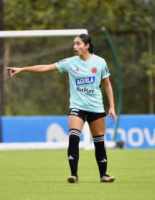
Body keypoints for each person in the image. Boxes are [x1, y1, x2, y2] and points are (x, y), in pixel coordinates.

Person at [7, 33, 116, 184]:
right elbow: (46, 67)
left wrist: (112, 106)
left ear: (87, 46)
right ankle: (74, 175)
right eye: (74, 44)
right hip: (77, 107)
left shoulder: (100, 62)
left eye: (78, 44)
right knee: (73, 136)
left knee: (99, 141)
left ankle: (103, 175)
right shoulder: (70, 63)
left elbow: (107, 84)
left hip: (96, 107)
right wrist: (23, 69)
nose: (75, 46)